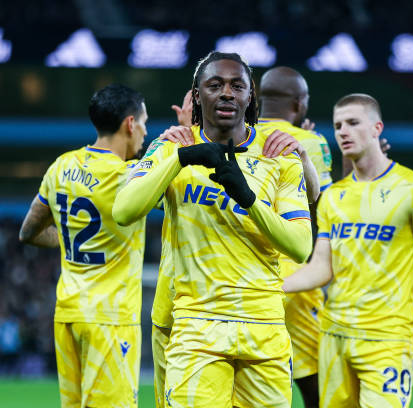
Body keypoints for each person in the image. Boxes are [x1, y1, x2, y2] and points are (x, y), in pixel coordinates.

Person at [112, 51, 312, 408]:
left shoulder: (277, 154)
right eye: (215, 85)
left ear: (251, 96)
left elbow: (300, 247)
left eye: (237, 86)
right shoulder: (172, 146)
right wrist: (181, 158)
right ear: (197, 94)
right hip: (197, 327)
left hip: (265, 327)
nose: (227, 93)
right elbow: (124, 211)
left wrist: (249, 199)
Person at [283, 93, 413, 408]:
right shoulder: (333, 197)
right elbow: (322, 266)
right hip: (334, 337)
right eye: (338, 126)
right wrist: (276, 286)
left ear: (377, 128)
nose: (343, 131)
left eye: (353, 123)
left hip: (387, 339)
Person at [19, 83, 148, 407]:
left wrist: (71, 240)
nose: (145, 133)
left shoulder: (61, 166)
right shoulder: (131, 177)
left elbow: (29, 232)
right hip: (110, 319)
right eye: (144, 123)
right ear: (129, 124)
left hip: (68, 314)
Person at [256, 66, 333, 408]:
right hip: (298, 274)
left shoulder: (239, 134)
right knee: (317, 379)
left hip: (251, 274)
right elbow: (326, 209)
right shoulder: (311, 142)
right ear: (300, 103)